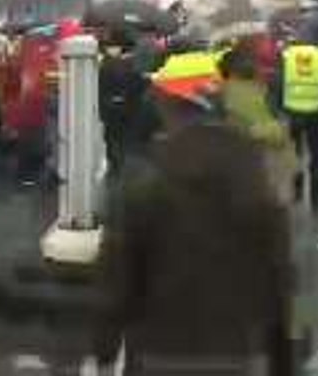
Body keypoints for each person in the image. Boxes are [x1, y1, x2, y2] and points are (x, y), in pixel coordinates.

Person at [94, 78, 292, 376]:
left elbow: (119, 281)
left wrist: (105, 351)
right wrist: (282, 360)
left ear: (168, 112)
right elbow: (278, 284)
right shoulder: (258, 190)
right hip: (236, 356)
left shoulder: (144, 187)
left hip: (158, 354)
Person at [219, 41, 293, 205]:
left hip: (268, 159)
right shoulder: (228, 94)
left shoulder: (259, 87)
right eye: (247, 62)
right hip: (259, 160)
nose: (253, 65)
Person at [279, 28, 318, 215]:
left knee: (296, 154)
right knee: (316, 156)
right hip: (315, 111)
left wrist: (282, 107)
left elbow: (280, 82)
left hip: (294, 110)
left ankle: (297, 192)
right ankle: (316, 199)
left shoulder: (287, 55)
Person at [99, 28, 150, 176]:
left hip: (111, 112)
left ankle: (115, 167)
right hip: (129, 112)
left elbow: (101, 88)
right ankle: (120, 167)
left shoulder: (107, 64)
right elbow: (140, 87)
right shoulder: (135, 65)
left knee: (112, 140)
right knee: (124, 142)